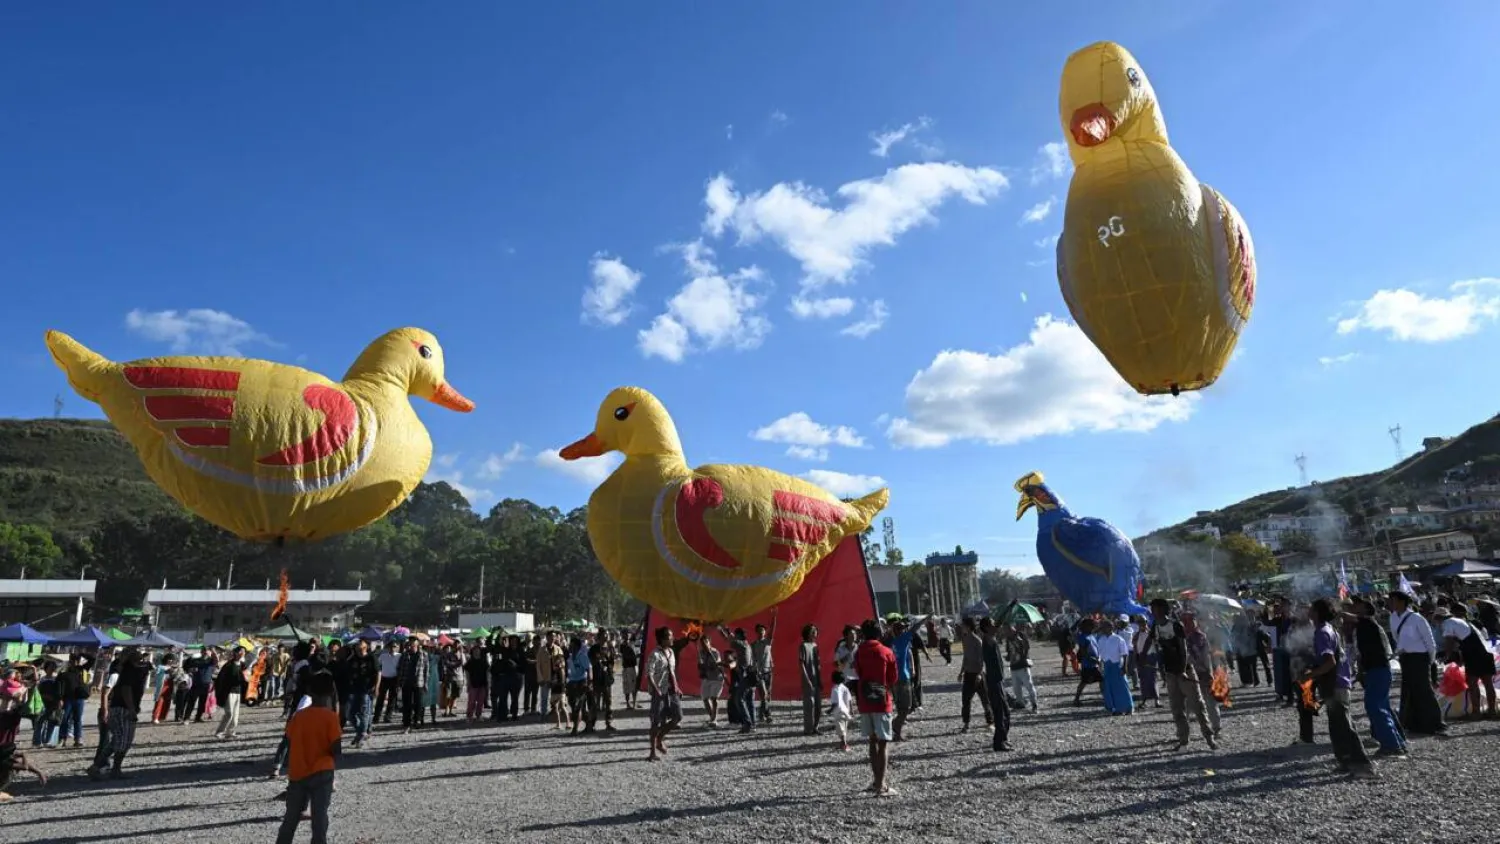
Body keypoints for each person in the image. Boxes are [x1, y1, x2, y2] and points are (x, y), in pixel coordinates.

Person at [1306, 598, 1375, 779]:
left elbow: (1330, 662)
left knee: (1344, 726)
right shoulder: (1330, 629)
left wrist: (1309, 675)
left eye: (1311, 608)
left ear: (1318, 612)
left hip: (1335, 684)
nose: (1308, 611)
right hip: (1337, 683)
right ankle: (1345, 761)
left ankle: (1362, 765)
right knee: (1337, 725)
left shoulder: (1322, 632)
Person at [275, 672, 341, 844]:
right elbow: (336, 749)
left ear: (310, 692)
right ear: (330, 693)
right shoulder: (331, 718)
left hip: (298, 772)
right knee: (319, 817)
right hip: (322, 771)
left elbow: (288, 739)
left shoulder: (298, 717)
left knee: (291, 817)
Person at [1151, 599, 1216, 750]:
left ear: (1163, 610)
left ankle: (1209, 737)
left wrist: (1182, 671)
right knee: (1176, 709)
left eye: (1156, 608)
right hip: (1170, 673)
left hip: (1184, 671)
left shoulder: (1175, 625)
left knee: (1198, 706)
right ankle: (1183, 740)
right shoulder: (1155, 627)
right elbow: (1157, 647)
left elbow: (1183, 650)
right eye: (1153, 609)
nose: (1154, 611)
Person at [1351, 598, 1407, 757]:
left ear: (1366, 609)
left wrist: (1339, 612)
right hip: (1376, 670)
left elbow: (1352, 617)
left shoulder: (1368, 623)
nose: (1354, 606)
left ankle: (1391, 745)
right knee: (1381, 707)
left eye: (1358, 604)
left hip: (1378, 670)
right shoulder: (1363, 626)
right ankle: (1396, 742)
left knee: (1375, 707)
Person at [1388, 591, 1447, 736]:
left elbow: (1430, 641)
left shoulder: (1417, 618)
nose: (1391, 603)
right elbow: (1396, 637)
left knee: (1424, 690)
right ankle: (1412, 722)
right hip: (1405, 657)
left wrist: (1430, 661)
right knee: (1408, 689)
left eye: (1394, 600)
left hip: (1420, 658)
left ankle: (1434, 723)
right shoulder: (1393, 617)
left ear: (1402, 602)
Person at [86, 647, 150, 780]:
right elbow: (126, 689)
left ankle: (97, 766)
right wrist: (131, 708)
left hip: (118, 707)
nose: (141, 657)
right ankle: (115, 769)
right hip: (123, 709)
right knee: (124, 740)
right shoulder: (129, 671)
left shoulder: (128, 669)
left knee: (115, 740)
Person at [855, 620, 898, 796]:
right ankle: (882, 784)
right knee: (883, 743)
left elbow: (858, 673)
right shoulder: (886, 651)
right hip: (882, 701)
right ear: (878, 633)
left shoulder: (859, 652)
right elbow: (893, 678)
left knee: (872, 741)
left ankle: (876, 780)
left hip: (865, 701)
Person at [1440, 604, 1498, 719]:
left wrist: (1446, 656)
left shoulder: (1448, 623)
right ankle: (1492, 711)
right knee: (1488, 683)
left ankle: (1476, 713)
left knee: (1472, 683)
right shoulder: (1466, 623)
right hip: (1485, 653)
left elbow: (1449, 642)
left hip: (1474, 655)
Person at [886, 615, 930, 740]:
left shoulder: (891, 643)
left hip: (894, 679)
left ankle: (897, 733)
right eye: (903, 629)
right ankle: (895, 725)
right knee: (907, 708)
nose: (905, 630)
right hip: (903, 679)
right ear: (899, 631)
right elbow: (915, 628)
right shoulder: (903, 639)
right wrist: (926, 618)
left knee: (900, 708)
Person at [1181, 612, 1221, 738]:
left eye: (1192, 620)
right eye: (1188, 621)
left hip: (1202, 673)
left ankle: (1216, 728)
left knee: (1209, 701)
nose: (1191, 623)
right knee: (1187, 703)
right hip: (1187, 674)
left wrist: (1209, 673)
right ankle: (1183, 730)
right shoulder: (1181, 638)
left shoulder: (1200, 637)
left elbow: (1206, 657)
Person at [646, 626, 682, 762]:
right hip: (659, 692)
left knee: (677, 717)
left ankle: (659, 739)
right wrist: (656, 689)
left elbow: (672, 672)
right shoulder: (654, 654)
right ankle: (652, 752)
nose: (672, 638)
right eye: (669, 636)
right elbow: (648, 674)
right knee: (656, 722)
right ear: (662, 639)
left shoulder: (671, 652)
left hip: (672, 691)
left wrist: (678, 687)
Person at [978, 618, 1012, 751]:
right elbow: (998, 622)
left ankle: (1003, 738)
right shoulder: (986, 640)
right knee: (999, 713)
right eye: (992, 625)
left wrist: (1010, 607)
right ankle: (998, 743)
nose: (995, 627)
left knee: (1006, 712)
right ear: (986, 628)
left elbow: (998, 624)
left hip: (998, 681)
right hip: (993, 682)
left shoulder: (991, 638)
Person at [957, 617, 993, 731]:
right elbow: (966, 657)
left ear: (968, 626)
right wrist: (961, 672)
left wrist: (979, 674)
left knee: (985, 699)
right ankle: (966, 724)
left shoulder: (978, 641)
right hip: (968, 674)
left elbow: (981, 659)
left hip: (978, 675)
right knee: (966, 700)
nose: (962, 627)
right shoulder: (964, 639)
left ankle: (990, 722)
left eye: (963, 625)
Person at [345, 638, 379, 747]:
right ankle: (361, 732)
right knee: (350, 714)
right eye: (357, 645)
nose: (359, 646)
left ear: (366, 646)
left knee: (364, 714)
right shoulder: (352, 659)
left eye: (361, 644)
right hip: (354, 690)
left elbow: (378, 673)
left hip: (367, 690)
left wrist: (376, 687)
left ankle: (361, 735)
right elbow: (348, 672)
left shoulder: (371, 658)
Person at [1095, 619, 1133, 716]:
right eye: (1102, 627)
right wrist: (1100, 666)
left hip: (1117, 665)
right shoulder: (1101, 639)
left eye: (1105, 627)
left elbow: (1125, 654)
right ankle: (1115, 708)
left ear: (1111, 627)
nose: (1103, 629)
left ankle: (1128, 707)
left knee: (1122, 687)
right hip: (1107, 666)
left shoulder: (1118, 639)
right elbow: (1100, 655)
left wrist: (1125, 667)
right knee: (1109, 687)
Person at [213, 647, 248, 740]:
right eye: (241, 651)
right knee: (229, 713)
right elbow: (221, 679)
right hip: (229, 692)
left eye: (244, 652)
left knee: (236, 714)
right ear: (235, 653)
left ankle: (231, 732)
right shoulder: (229, 665)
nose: (243, 653)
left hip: (238, 692)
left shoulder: (243, 665)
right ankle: (219, 732)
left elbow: (246, 677)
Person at [396, 639, 428, 733]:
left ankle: (417, 720)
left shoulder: (423, 655)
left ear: (417, 645)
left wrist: (425, 683)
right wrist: (399, 683)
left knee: (418, 703)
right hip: (406, 682)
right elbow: (400, 669)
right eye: (409, 645)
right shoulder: (404, 655)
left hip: (419, 682)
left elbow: (426, 670)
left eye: (413, 645)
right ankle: (407, 724)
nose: (410, 647)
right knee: (406, 705)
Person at [589, 630, 618, 732]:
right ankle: (592, 724)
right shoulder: (593, 649)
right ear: (599, 637)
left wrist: (611, 672)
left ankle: (608, 723)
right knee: (594, 703)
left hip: (606, 679)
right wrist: (599, 660)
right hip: (597, 678)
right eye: (603, 636)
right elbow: (591, 662)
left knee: (608, 702)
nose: (605, 638)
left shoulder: (610, 648)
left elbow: (613, 662)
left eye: (607, 636)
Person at [565, 636, 594, 734]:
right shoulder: (569, 657)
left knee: (578, 705)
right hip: (572, 683)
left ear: (577, 647)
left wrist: (589, 682)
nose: (570, 647)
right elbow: (569, 671)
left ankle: (575, 729)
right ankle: (589, 724)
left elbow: (589, 668)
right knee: (574, 706)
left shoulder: (582, 656)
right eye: (570, 645)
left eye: (572, 646)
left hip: (581, 683)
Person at [1006, 623, 1038, 711]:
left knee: (1029, 685)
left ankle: (1034, 704)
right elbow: (1009, 651)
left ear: (1012, 628)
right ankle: (1020, 703)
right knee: (1016, 688)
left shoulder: (1020, 635)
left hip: (1023, 665)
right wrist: (1008, 657)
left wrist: (1020, 643)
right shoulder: (1008, 639)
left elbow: (1027, 648)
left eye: (1008, 630)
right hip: (1013, 666)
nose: (1006, 632)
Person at [1072, 619, 1103, 706]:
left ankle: (1105, 696)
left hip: (1094, 663)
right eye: (1091, 626)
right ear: (1086, 627)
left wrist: (1098, 658)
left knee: (1101, 679)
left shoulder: (1092, 636)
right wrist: (1092, 659)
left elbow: (1096, 648)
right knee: (1084, 682)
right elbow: (1083, 651)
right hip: (1088, 664)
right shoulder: (1083, 637)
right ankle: (1076, 699)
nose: (1093, 628)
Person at [798, 623, 822, 736]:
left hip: (816, 678)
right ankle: (808, 729)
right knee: (809, 704)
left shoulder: (815, 646)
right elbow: (801, 663)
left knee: (818, 704)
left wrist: (820, 678)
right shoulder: (803, 646)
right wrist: (806, 679)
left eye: (815, 630)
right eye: (812, 631)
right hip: (808, 678)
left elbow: (818, 664)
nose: (815, 633)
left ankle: (816, 727)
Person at [697, 633, 725, 728]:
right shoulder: (700, 652)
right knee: (705, 699)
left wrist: (705, 666)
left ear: (709, 642)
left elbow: (714, 666)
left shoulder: (715, 652)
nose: (704, 644)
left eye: (706, 642)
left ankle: (714, 719)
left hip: (717, 678)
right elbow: (700, 665)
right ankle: (712, 718)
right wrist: (701, 667)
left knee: (714, 698)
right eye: (702, 642)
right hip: (707, 678)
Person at [372, 641, 401, 724]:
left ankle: (388, 717)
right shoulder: (383, 656)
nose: (392, 648)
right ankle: (376, 717)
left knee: (392, 699)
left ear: (397, 647)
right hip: (384, 678)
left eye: (394, 646)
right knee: (380, 699)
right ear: (388, 648)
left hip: (394, 679)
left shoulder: (399, 656)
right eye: (391, 646)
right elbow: (378, 666)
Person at [751, 621, 775, 723]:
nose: (761, 632)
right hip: (759, 672)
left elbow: (772, 631)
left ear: (765, 632)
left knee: (767, 696)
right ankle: (766, 714)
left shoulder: (767, 642)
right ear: (756, 632)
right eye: (759, 631)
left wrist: (774, 618)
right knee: (764, 694)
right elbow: (752, 658)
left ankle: (762, 714)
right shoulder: (753, 645)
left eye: (763, 630)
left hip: (768, 671)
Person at [827, 669, 854, 751]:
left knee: (840, 729)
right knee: (844, 728)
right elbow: (850, 700)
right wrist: (851, 711)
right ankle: (843, 743)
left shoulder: (834, 689)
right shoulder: (845, 688)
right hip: (846, 711)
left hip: (839, 712)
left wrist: (830, 710)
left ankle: (844, 744)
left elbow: (835, 703)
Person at [619, 632, 640, 710]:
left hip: (632, 667)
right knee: (627, 686)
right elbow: (626, 655)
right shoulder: (623, 646)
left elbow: (636, 632)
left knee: (633, 686)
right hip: (627, 668)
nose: (627, 636)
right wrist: (635, 655)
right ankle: (628, 704)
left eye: (628, 634)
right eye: (625, 634)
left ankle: (634, 703)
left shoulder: (631, 643)